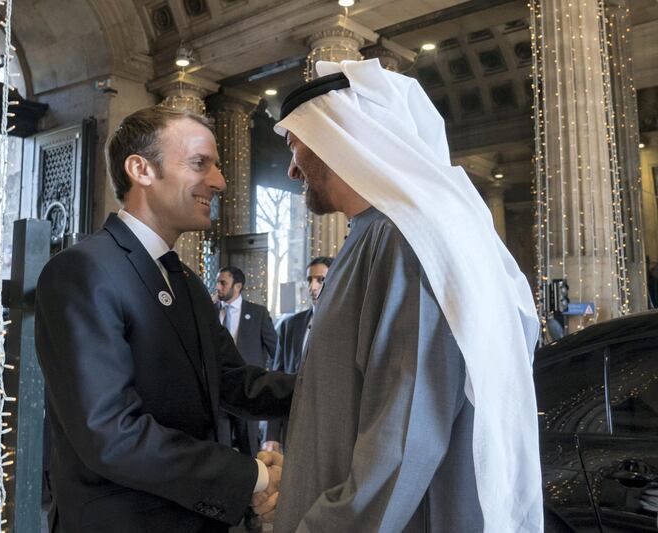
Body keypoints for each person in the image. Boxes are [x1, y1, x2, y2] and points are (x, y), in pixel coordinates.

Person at [253, 59, 542, 532]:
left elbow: (404, 439)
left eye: (295, 143)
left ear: (338, 134)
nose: (290, 169)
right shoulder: (371, 235)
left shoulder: (405, 239)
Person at [34, 105, 295, 533]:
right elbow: (111, 433)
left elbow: (233, 381)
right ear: (141, 169)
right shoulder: (82, 270)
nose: (220, 182)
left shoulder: (186, 281)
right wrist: (254, 476)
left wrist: (330, 390)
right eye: (199, 164)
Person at [263, 256, 332, 453]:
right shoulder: (290, 325)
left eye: (320, 279)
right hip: (294, 424)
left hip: (330, 427)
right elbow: (277, 379)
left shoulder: (347, 326)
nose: (313, 286)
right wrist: (272, 436)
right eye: (309, 280)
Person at [214, 266, 278, 458]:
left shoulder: (257, 313)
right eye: (217, 282)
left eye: (223, 283)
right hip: (219, 392)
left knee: (249, 447)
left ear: (238, 286)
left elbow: (276, 351)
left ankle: (255, 487)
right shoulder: (210, 311)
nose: (218, 287)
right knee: (221, 449)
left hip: (247, 392)